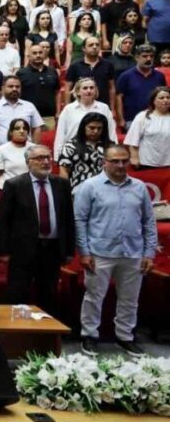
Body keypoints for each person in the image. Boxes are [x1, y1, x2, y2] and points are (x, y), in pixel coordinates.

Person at [74, 144, 157, 358]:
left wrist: (149, 253)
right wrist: (84, 251)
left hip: (133, 252)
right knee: (94, 297)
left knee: (130, 299)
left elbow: (149, 221)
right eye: (115, 161)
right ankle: (89, 335)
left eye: (124, 160)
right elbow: (80, 220)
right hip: (99, 252)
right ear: (104, 162)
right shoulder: (90, 186)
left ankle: (125, 337)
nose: (120, 165)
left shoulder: (139, 187)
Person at [0, 144, 75, 309]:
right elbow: (3, 221)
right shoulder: (14, 185)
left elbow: (68, 218)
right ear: (28, 162)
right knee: (18, 295)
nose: (45, 162)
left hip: (52, 249)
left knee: (49, 295)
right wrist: (3, 251)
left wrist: (69, 250)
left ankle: (48, 325)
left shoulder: (61, 184)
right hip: (23, 250)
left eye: (48, 158)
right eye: (40, 158)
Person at [0, 76, 44, 158]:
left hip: (25, 152)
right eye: (10, 86)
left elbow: (37, 127)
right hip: (0, 151)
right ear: (3, 88)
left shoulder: (29, 106)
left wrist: (34, 150)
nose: (14, 89)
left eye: (17, 87)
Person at [0, 118, 34, 209]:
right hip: (7, 192)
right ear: (10, 132)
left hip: (30, 191)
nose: (22, 131)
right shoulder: (1, 150)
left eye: (25, 128)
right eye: (17, 128)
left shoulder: (35, 149)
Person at [115, 45, 163, 128]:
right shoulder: (125, 76)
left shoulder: (159, 76)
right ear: (136, 58)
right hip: (131, 120)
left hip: (155, 119)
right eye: (145, 56)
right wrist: (121, 119)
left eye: (151, 56)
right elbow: (118, 98)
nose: (149, 59)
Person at [123, 86, 170, 169]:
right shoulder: (142, 116)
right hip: (147, 163)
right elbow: (133, 140)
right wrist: (134, 157)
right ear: (154, 101)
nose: (165, 100)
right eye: (161, 98)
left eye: (168, 98)